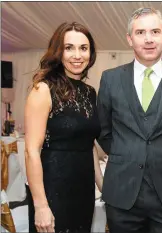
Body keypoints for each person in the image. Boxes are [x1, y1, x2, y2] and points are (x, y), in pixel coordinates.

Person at [97, 7, 162, 233]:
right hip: (122, 194)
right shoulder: (110, 79)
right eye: (140, 32)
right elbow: (103, 130)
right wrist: (127, 152)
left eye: (155, 31)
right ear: (129, 39)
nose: (148, 39)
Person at [24, 22, 103, 233]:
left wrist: (103, 187)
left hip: (83, 188)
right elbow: (31, 151)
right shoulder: (43, 89)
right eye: (69, 48)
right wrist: (40, 205)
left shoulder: (90, 92)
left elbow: (88, 145)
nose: (77, 55)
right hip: (53, 189)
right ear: (58, 52)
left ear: (91, 53)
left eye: (83, 48)